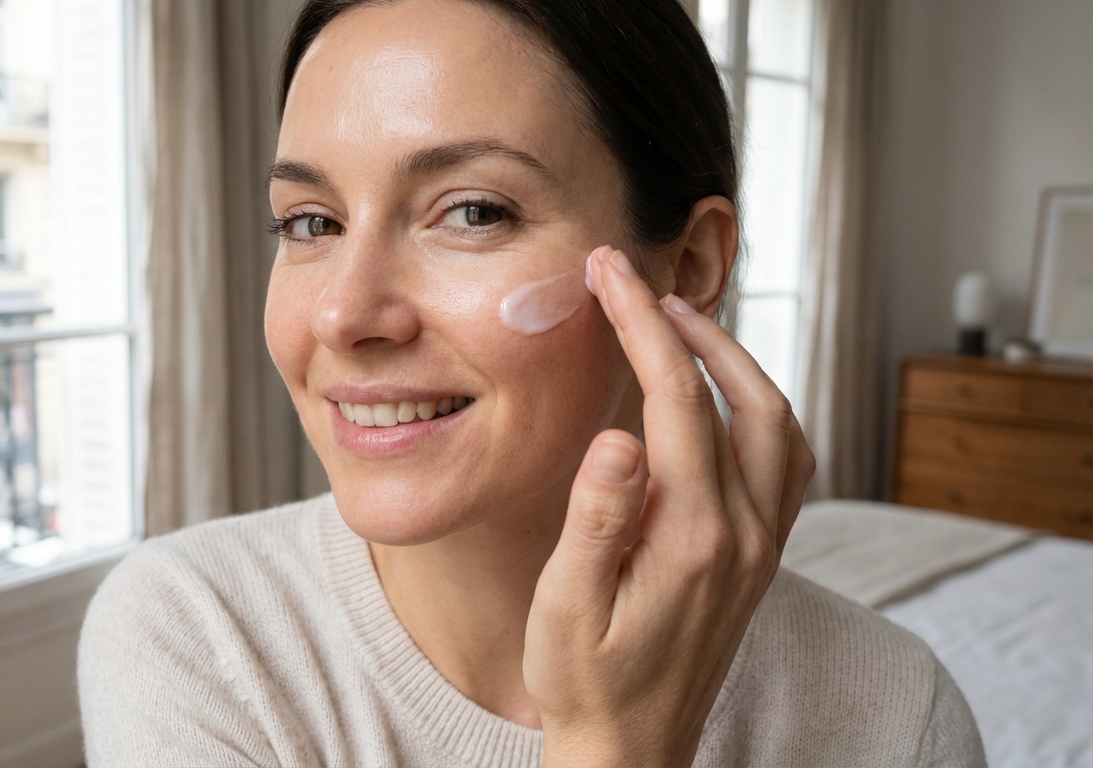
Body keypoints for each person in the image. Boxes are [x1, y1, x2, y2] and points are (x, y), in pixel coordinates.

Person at [78, 0, 986, 765]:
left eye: (473, 212)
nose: (344, 316)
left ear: (691, 263)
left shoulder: (894, 716)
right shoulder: (193, 634)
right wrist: (613, 744)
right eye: (311, 222)